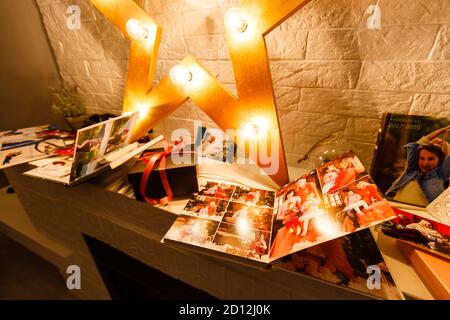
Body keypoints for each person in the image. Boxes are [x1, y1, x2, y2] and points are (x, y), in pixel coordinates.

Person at [386, 126, 450, 205]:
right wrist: (441, 130)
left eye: (431, 159)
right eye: (422, 158)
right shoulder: (411, 169)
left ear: (440, 160)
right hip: (398, 207)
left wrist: (446, 148)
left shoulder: (441, 174)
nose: (425, 162)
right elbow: (418, 144)